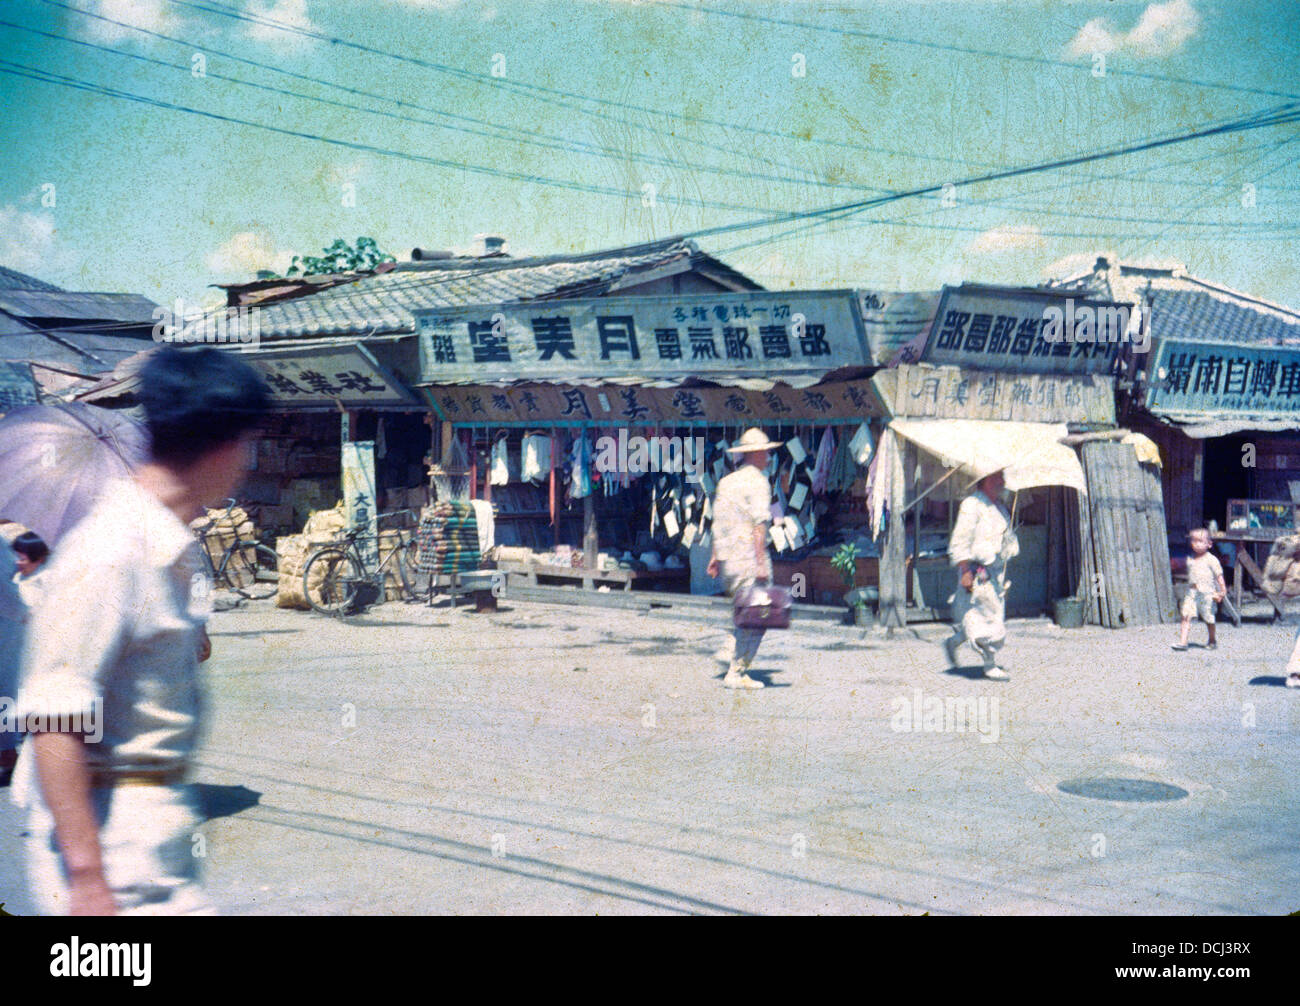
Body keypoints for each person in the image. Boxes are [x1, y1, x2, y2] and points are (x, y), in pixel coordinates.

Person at [13, 346, 269, 915]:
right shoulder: (110, 552)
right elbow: (54, 725)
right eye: (247, 445)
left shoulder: (164, 545)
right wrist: (87, 879)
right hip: (110, 853)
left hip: (153, 838)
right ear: (224, 445)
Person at [707, 428, 781, 690]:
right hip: (749, 557)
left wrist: (715, 556)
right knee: (761, 615)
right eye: (766, 452)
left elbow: (718, 523)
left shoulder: (726, 482)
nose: (769, 457)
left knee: (745, 610)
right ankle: (736, 670)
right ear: (756, 453)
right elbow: (759, 526)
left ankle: (731, 648)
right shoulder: (758, 482)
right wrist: (760, 563)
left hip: (729, 559)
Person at [943, 468, 1019, 680]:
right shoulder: (972, 505)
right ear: (985, 479)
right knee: (988, 620)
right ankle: (989, 665)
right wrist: (965, 570)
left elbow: (1006, 540)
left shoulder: (1000, 508)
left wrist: (1009, 545)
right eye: (996, 477)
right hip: (977, 573)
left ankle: (953, 642)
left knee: (985, 617)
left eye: (1002, 477)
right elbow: (960, 539)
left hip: (996, 573)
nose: (1001, 481)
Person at [1172, 527, 1226, 651]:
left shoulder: (1211, 559)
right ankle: (1183, 642)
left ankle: (1212, 640)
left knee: (1209, 618)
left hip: (1207, 593)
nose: (1196, 544)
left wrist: (1222, 591)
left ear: (1209, 544)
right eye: (1194, 541)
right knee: (1185, 615)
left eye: (1200, 541)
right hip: (1192, 592)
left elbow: (1219, 576)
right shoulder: (1190, 559)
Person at [12, 530, 50, 611]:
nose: (17, 562)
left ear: (39, 559)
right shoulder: (18, 576)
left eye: (22, 559)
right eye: (16, 557)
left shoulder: (46, 577)